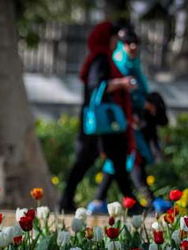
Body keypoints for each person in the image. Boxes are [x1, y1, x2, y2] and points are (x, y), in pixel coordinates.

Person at [87, 27, 171, 215]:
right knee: (134, 157)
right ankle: (144, 200)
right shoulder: (119, 63)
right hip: (125, 118)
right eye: (127, 43)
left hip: (132, 119)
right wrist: (142, 106)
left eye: (135, 42)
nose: (132, 46)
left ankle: (99, 200)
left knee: (119, 159)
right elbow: (120, 92)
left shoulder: (132, 62)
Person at [59, 21, 140, 214]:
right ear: (107, 39)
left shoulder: (103, 58)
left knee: (116, 162)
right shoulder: (100, 59)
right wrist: (122, 83)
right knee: (90, 162)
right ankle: (66, 201)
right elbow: (97, 85)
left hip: (102, 122)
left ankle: (131, 203)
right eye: (114, 39)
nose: (116, 43)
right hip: (101, 122)